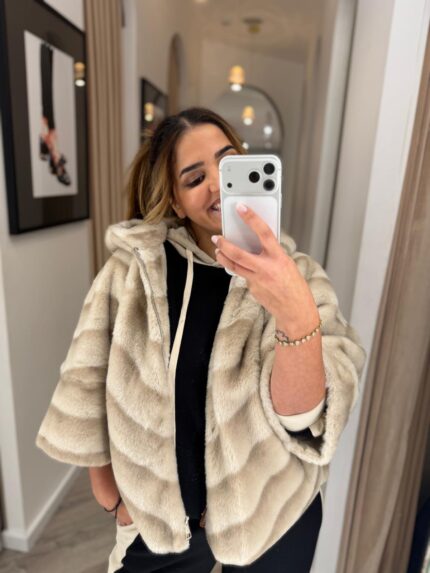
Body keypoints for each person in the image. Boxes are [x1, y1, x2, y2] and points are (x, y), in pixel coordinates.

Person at [35, 107, 367, 572]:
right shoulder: (134, 274)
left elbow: (304, 419)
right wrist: (112, 498)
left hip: (273, 513)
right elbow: (87, 380)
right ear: (175, 201)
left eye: (228, 165)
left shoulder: (300, 277)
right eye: (195, 178)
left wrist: (295, 312)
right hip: (161, 524)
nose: (218, 186)